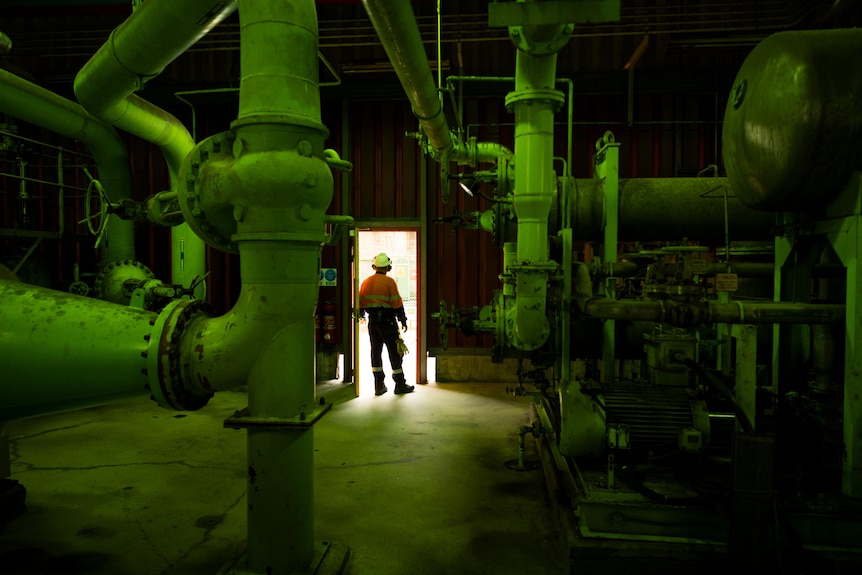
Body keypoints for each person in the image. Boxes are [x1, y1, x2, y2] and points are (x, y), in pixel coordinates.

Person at [359, 253, 414, 396]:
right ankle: (400, 384)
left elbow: (360, 303)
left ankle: (379, 385)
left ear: (374, 266)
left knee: (375, 352)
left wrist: (361, 315)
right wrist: (402, 320)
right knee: (395, 352)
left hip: (373, 323)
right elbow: (397, 304)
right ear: (388, 267)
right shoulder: (389, 282)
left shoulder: (365, 282)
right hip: (387, 322)